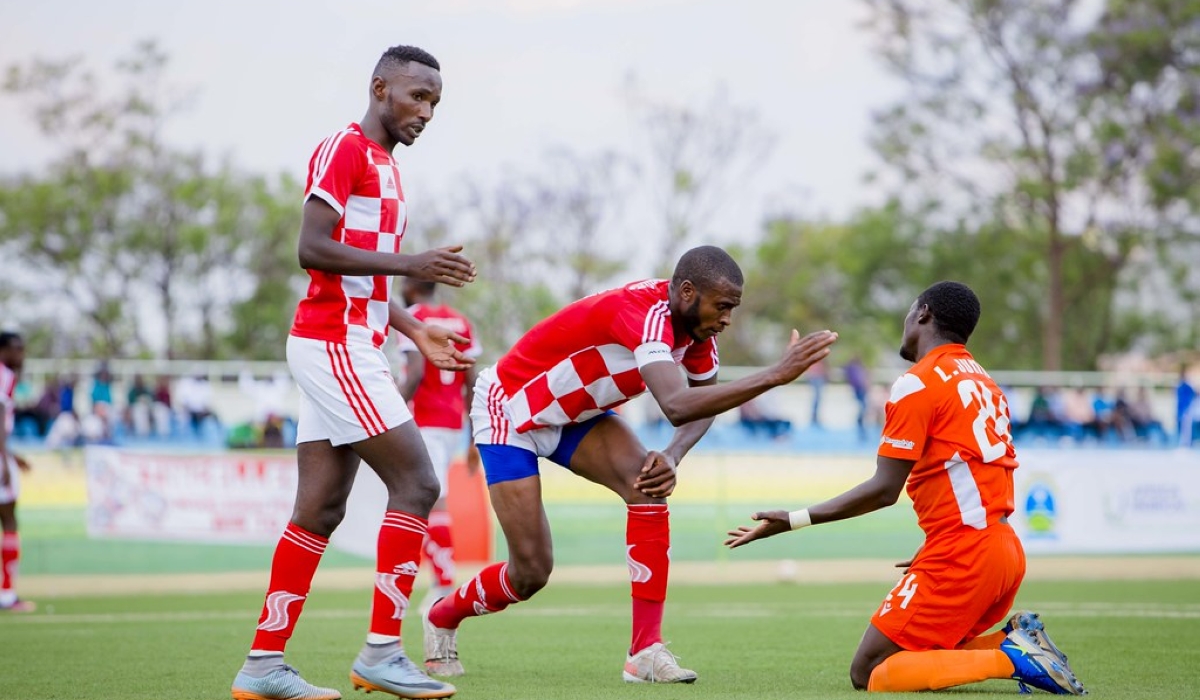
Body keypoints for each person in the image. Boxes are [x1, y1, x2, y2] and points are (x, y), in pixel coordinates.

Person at [421, 245, 838, 684]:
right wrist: (775, 374)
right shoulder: (644, 314)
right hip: (511, 409)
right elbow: (677, 404)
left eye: (732, 308)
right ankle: (442, 615)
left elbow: (702, 406)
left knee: (648, 483)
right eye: (723, 306)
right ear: (688, 292)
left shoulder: (697, 335)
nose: (727, 319)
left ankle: (644, 651)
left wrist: (673, 455)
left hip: (575, 417)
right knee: (530, 573)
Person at [231, 44, 477, 700]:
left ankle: (262, 665)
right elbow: (311, 249)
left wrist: (414, 326)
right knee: (419, 483)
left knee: (319, 509)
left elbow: (363, 271)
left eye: (435, 103)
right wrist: (413, 265)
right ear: (379, 89)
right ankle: (382, 652)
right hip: (334, 344)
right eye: (416, 97)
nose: (426, 112)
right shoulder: (343, 149)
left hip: (351, 341)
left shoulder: (388, 169)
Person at [724, 282, 1086, 696]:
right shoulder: (986, 382)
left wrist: (793, 519)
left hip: (965, 552)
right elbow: (978, 471)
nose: (905, 322)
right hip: (1002, 546)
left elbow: (884, 489)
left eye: (908, 312)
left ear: (924, 314)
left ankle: (1009, 657)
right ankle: (1015, 642)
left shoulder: (919, 382)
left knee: (872, 670)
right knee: (935, 648)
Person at [396, 278, 481, 613]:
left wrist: (387, 410)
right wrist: (474, 437)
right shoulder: (461, 321)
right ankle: (439, 582)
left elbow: (415, 374)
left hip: (424, 422)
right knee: (433, 499)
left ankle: (443, 586)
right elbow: (472, 382)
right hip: (453, 423)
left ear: (412, 286)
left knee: (432, 502)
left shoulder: (412, 317)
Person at [0, 331, 34, 612]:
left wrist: (12, 455)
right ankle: (7, 594)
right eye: (17, 349)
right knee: (9, 520)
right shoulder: (3, 375)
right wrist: (4, 461)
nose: (21, 355)